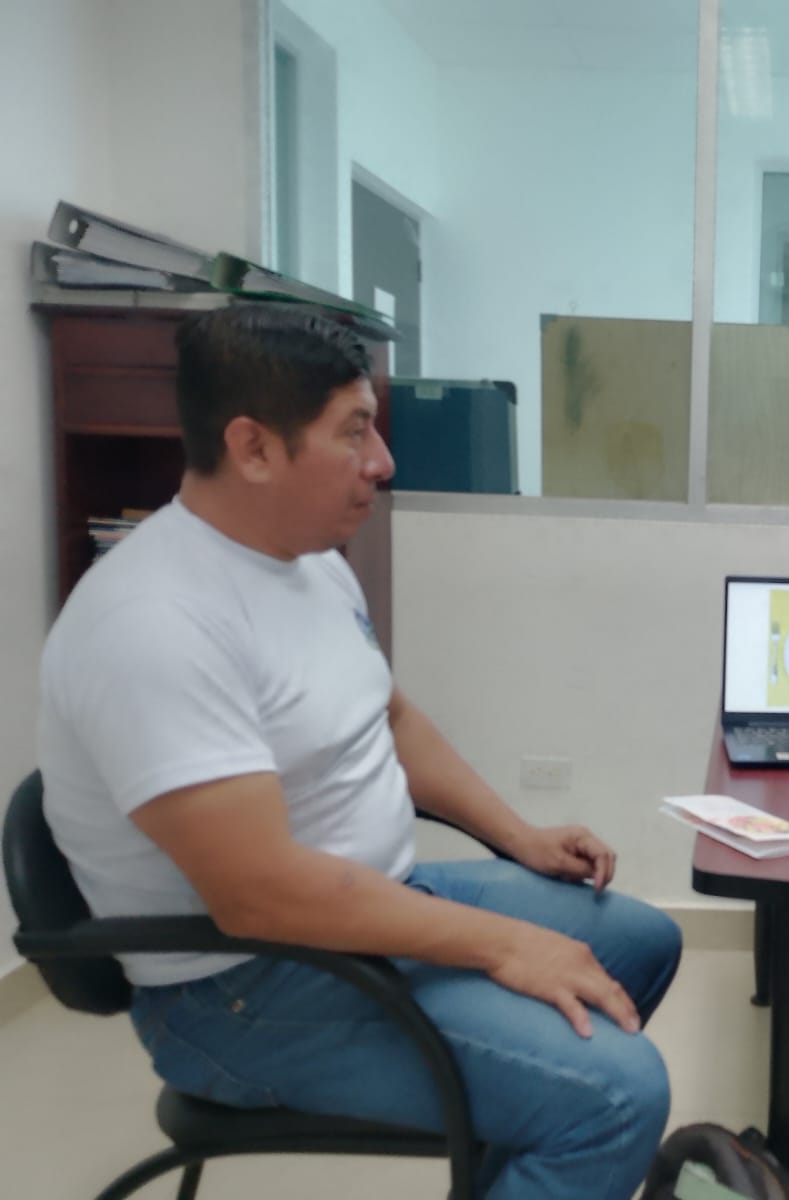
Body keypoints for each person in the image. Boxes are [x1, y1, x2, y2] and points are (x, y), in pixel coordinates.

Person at [37, 306, 681, 1200]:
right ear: (254, 448)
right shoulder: (153, 624)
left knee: (640, 941)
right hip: (241, 989)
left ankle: (524, 1144)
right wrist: (503, 946)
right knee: (617, 1094)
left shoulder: (308, 559)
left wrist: (520, 838)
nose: (383, 460)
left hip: (366, 904)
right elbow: (259, 897)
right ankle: (556, 1124)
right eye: (353, 432)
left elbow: (390, 717)